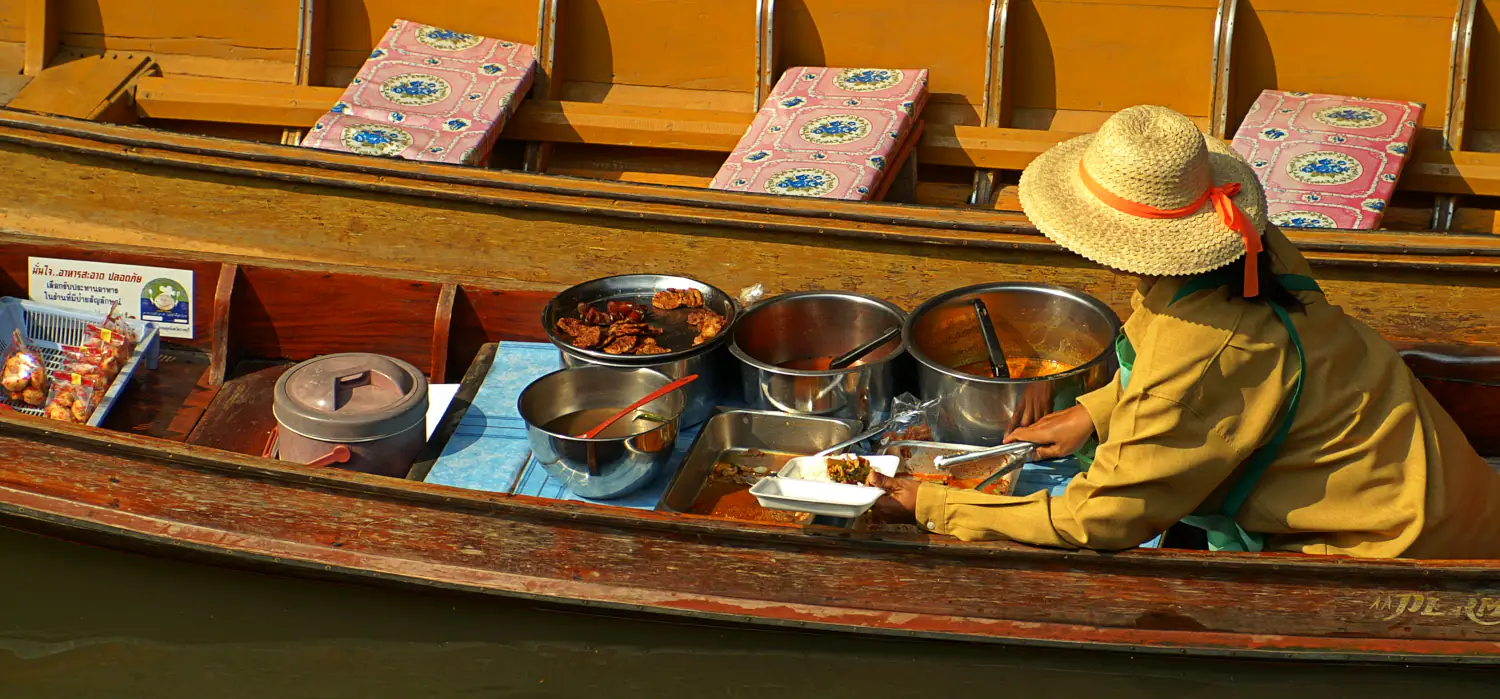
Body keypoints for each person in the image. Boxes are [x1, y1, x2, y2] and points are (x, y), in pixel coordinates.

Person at [869, 105, 1500, 558]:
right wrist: (1093, 411)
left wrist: (932, 506)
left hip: (1398, 542)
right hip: (1440, 475)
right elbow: (1212, 367)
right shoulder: (1253, 248)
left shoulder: (1195, 356)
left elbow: (1103, 519)